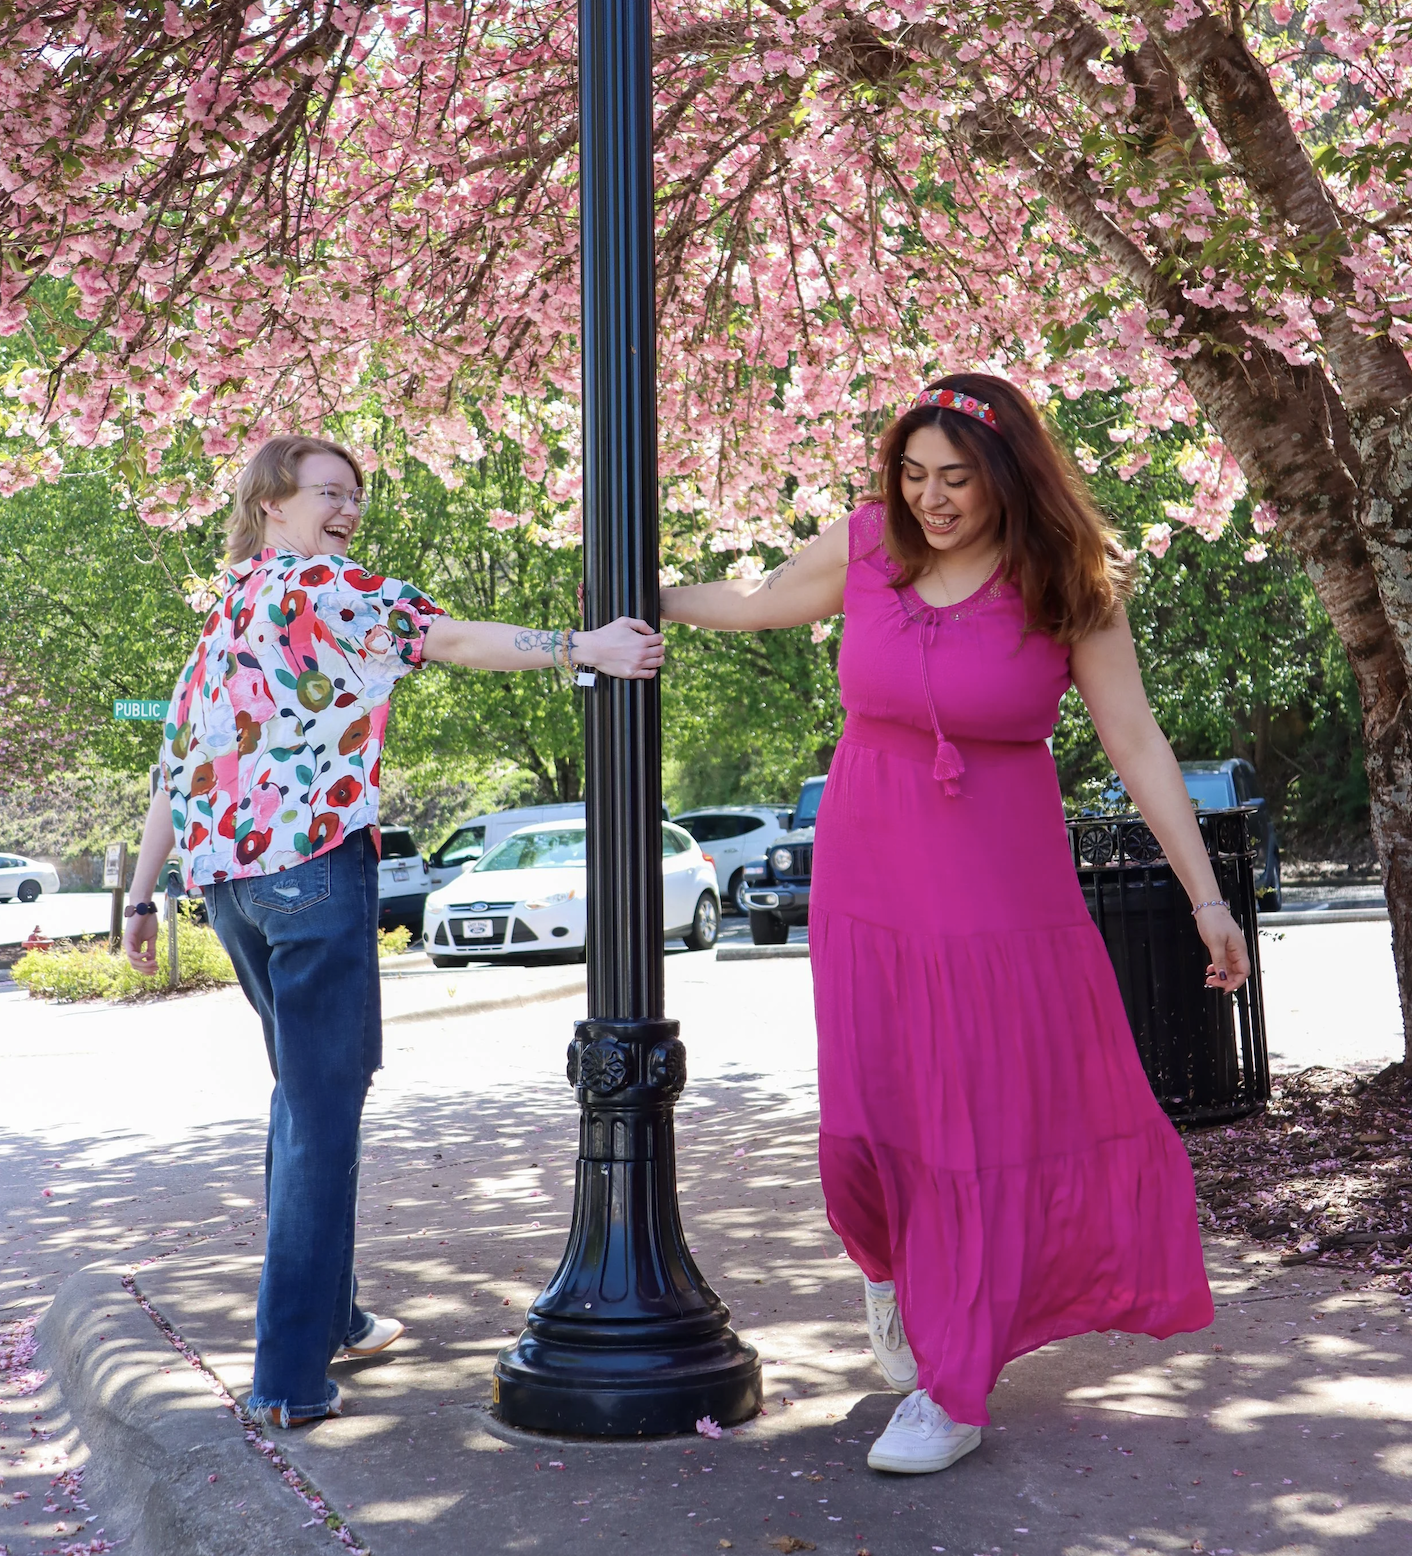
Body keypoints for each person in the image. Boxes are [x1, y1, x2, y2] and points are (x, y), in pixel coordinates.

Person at [660, 375, 1249, 1476]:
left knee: (972, 1124)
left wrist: (1204, 898)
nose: (929, 499)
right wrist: (641, 591)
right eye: (914, 475)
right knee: (864, 1124)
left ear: (1008, 477)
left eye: (955, 479)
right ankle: (890, 1274)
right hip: (866, 876)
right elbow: (751, 601)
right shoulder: (868, 546)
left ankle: (953, 1379)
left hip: (998, 890)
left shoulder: (1064, 585)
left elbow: (1136, 744)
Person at [122, 434, 663, 1429]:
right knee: (320, 1115)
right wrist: (583, 647)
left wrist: (140, 897)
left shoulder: (226, 612)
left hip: (230, 884)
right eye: (328, 491)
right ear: (271, 502)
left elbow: (172, 764)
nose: (347, 509)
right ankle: (287, 1374)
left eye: (354, 496)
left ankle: (332, 1318)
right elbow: (446, 637)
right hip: (313, 870)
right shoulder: (321, 582)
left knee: (303, 1100)